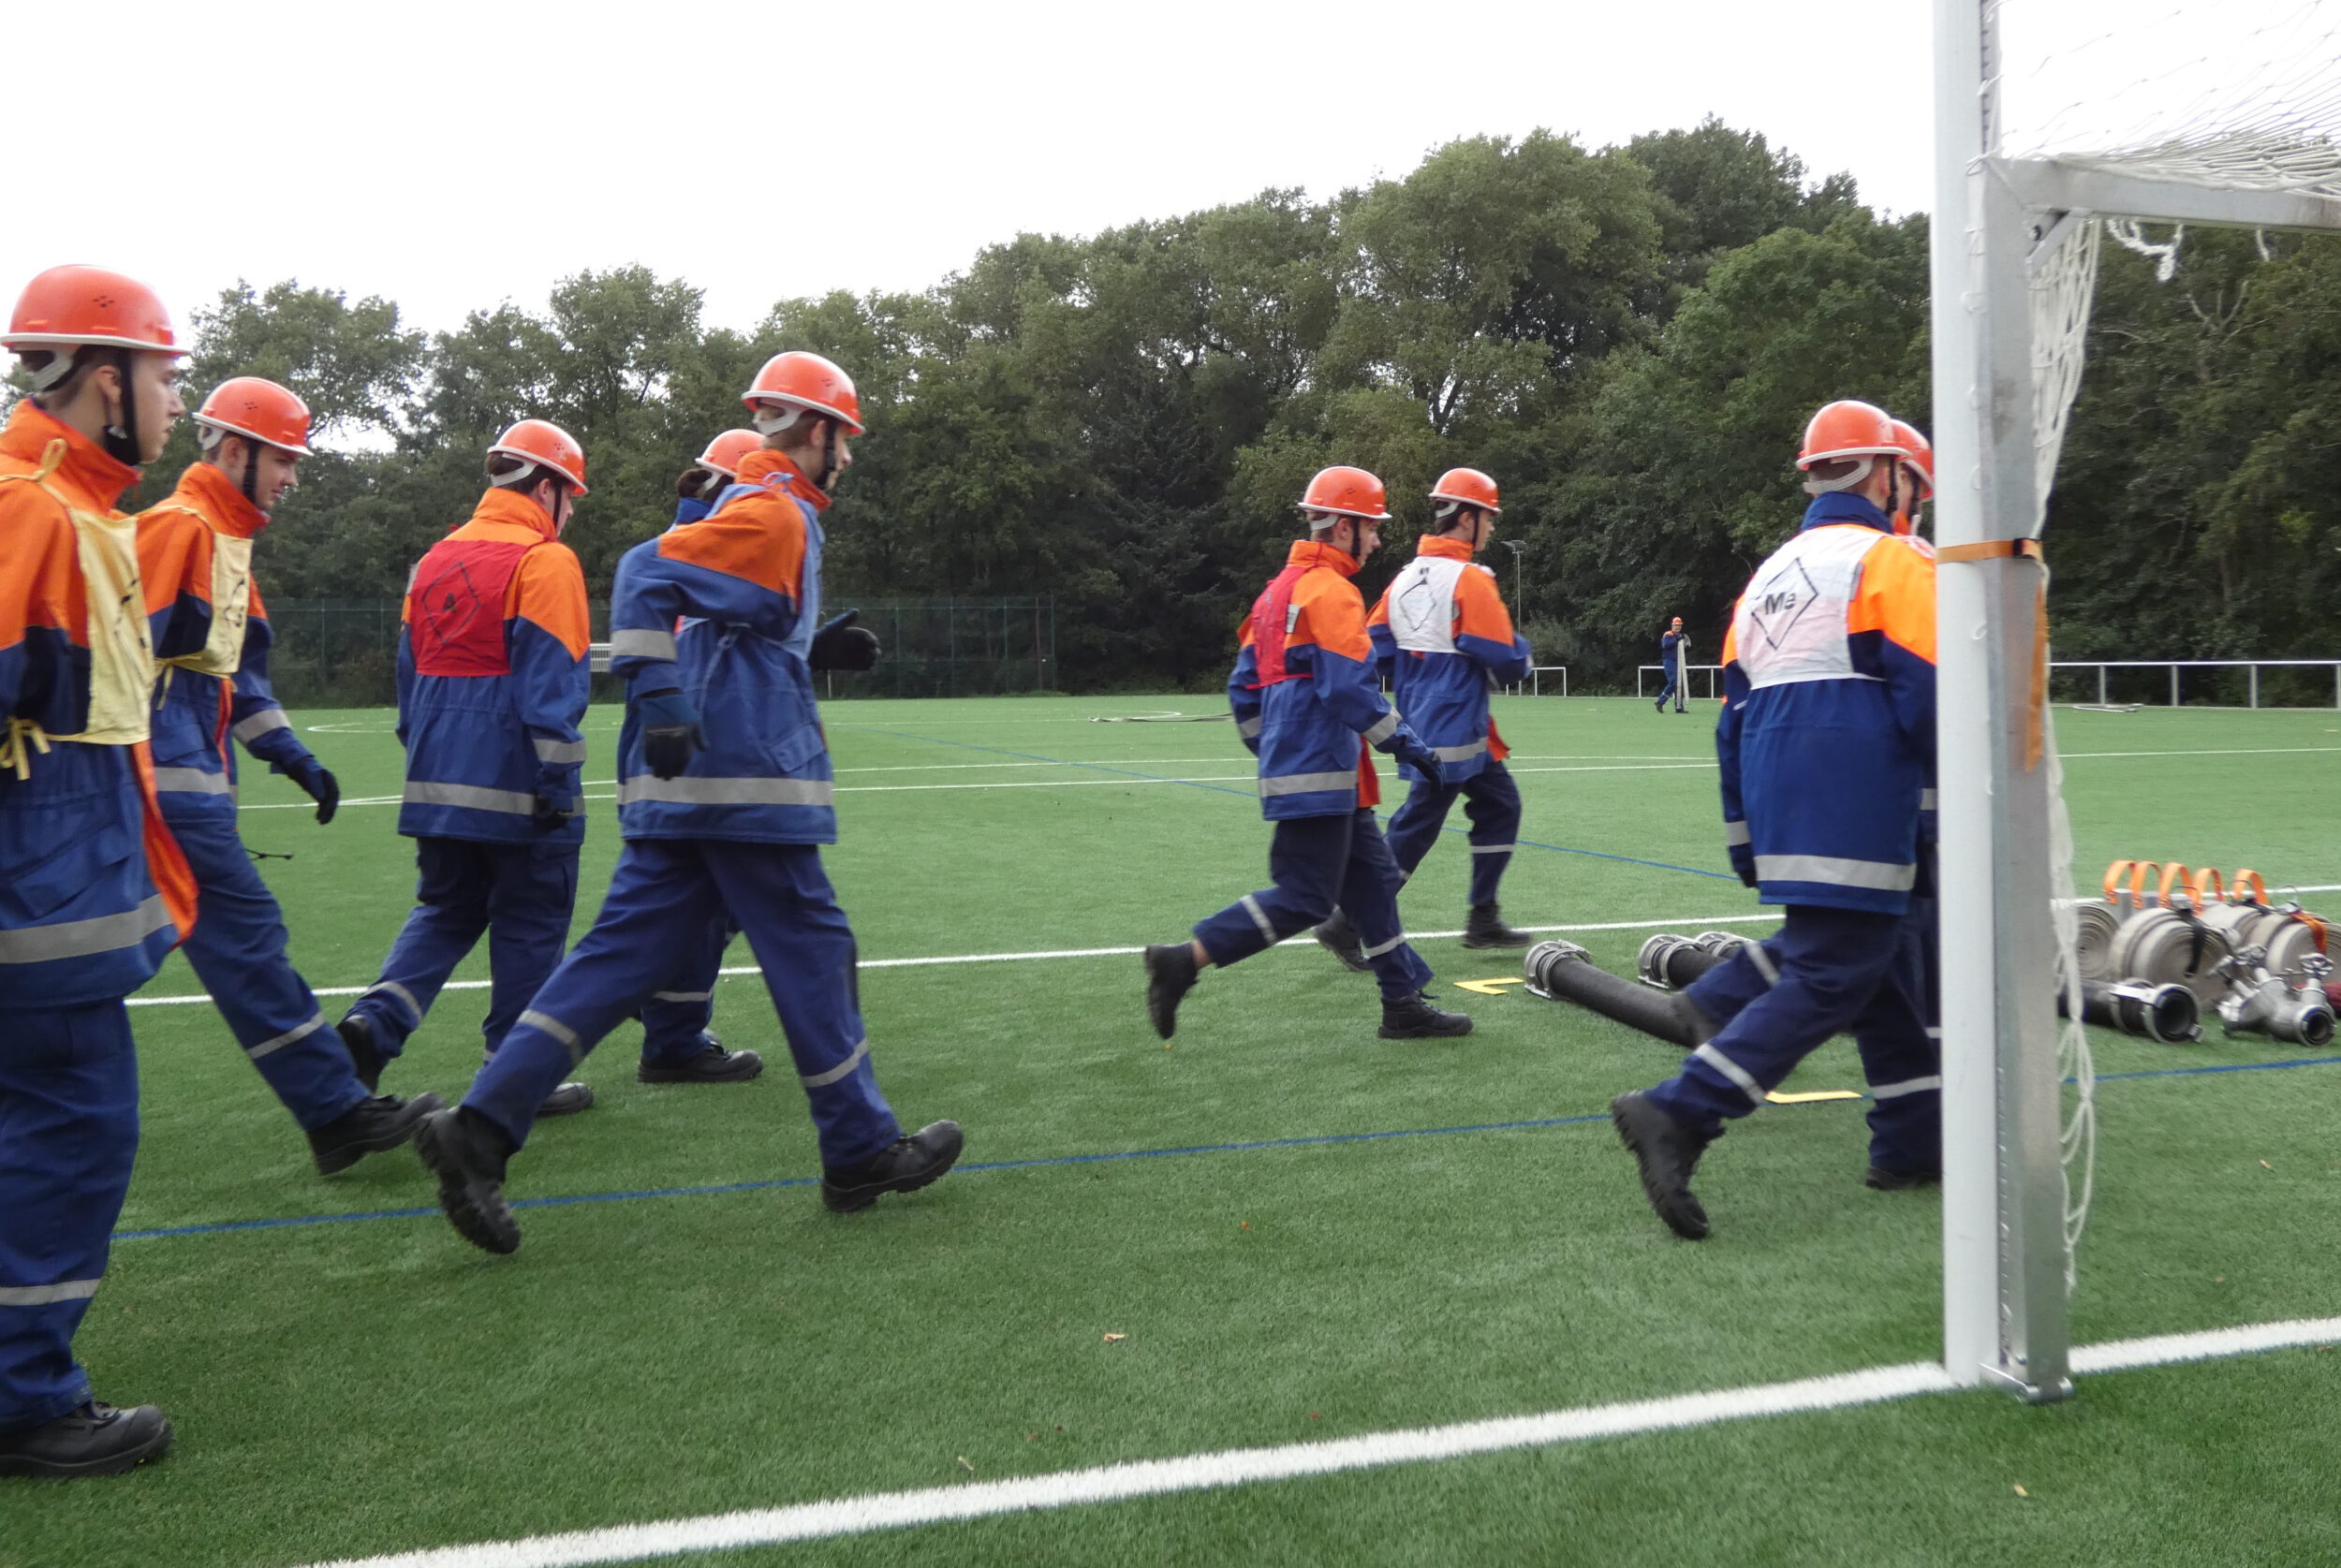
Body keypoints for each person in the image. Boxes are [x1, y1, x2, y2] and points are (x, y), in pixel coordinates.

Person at [413, 352, 963, 1253]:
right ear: (815, 430)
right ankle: (860, 1147)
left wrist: (803, 647)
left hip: (695, 786)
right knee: (814, 948)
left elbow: (720, 619)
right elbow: (643, 573)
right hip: (744, 781)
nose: (849, 457)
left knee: (615, 959)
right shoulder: (773, 509)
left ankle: (479, 1128)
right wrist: (662, 696)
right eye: (845, 438)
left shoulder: (757, 508)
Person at [1611, 400, 1938, 1239]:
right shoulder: (1894, 561)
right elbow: (1932, 696)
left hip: (1779, 791)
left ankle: (1911, 1139)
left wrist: (1744, 835)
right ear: (1887, 475)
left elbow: (1732, 718)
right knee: (1839, 969)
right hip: (1858, 791)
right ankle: (1680, 1109)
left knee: (1884, 960)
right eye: (1914, 485)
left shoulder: (1768, 576)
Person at [138, 377, 443, 1172]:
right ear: (234, 450)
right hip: (162, 787)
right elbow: (118, 665)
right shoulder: (181, 530)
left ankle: (334, 1110)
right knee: (244, 939)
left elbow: (236, 682)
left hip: (179, 785)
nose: (293, 477)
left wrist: (294, 758)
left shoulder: (223, 542)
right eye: (284, 459)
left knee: (122, 958)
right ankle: (335, 1109)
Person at [0, 265, 198, 1477]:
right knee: (73, 1125)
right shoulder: (36, 509)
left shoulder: (70, 504)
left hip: (55, 876)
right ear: (104, 380)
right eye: (164, 378)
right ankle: (21, 1397)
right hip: (38, 897)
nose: (175, 402)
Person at [1144, 466, 1473, 1043]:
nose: (1376, 541)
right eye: (1371, 528)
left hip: (1314, 772)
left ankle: (1402, 1003)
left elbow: (1243, 690)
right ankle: (1184, 960)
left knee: (1373, 885)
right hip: (1322, 771)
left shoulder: (1275, 593)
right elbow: (1349, 689)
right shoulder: (1332, 592)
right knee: (1304, 898)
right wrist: (1409, 745)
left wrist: (1272, 747)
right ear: (1344, 528)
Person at [335, 421, 595, 1118]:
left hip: (436, 780)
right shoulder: (546, 561)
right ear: (546, 487)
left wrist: (428, 755)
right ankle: (514, 1074)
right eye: (570, 496)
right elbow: (552, 689)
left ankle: (373, 1025)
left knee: (446, 910)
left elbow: (408, 678)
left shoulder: (433, 560)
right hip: (519, 784)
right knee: (531, 921)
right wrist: (558, 786)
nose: (570, 511)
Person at [1316, 467, 1532, 960]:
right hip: (1456, 730)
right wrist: (1522, 656)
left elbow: (1376, 648)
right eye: (1489, 519)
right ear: (1468, 518)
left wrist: (1418, 682)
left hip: (1437, 724)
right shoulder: (1470, 580)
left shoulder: (1405, 577)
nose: (1491, 528)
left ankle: (1483, 917)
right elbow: (1504, 658)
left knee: (1500, 806)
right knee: (1416, 827)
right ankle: (1347, 922)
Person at [634, 427, 768, 1085]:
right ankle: (669, 1032)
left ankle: (670, 1030)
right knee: (712, 902)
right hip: (698, 757)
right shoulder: (712, 551)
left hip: (671, 755)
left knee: (692, 903)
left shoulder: (687, 540)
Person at [1655, 617, 1689, 712]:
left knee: (1679, 684)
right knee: (1674, 682)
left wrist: (1686, 646)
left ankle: (1679, 707)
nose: (1678, 627)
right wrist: (1677, 639)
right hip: (1669, 661)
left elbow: (1682, 649)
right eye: (1676, 625)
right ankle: (1660, 701)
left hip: (1678, 661)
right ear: (1672, 626)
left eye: (1679, 625)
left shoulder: (1680, 636)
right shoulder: (1668, 634)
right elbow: (1665, 645)